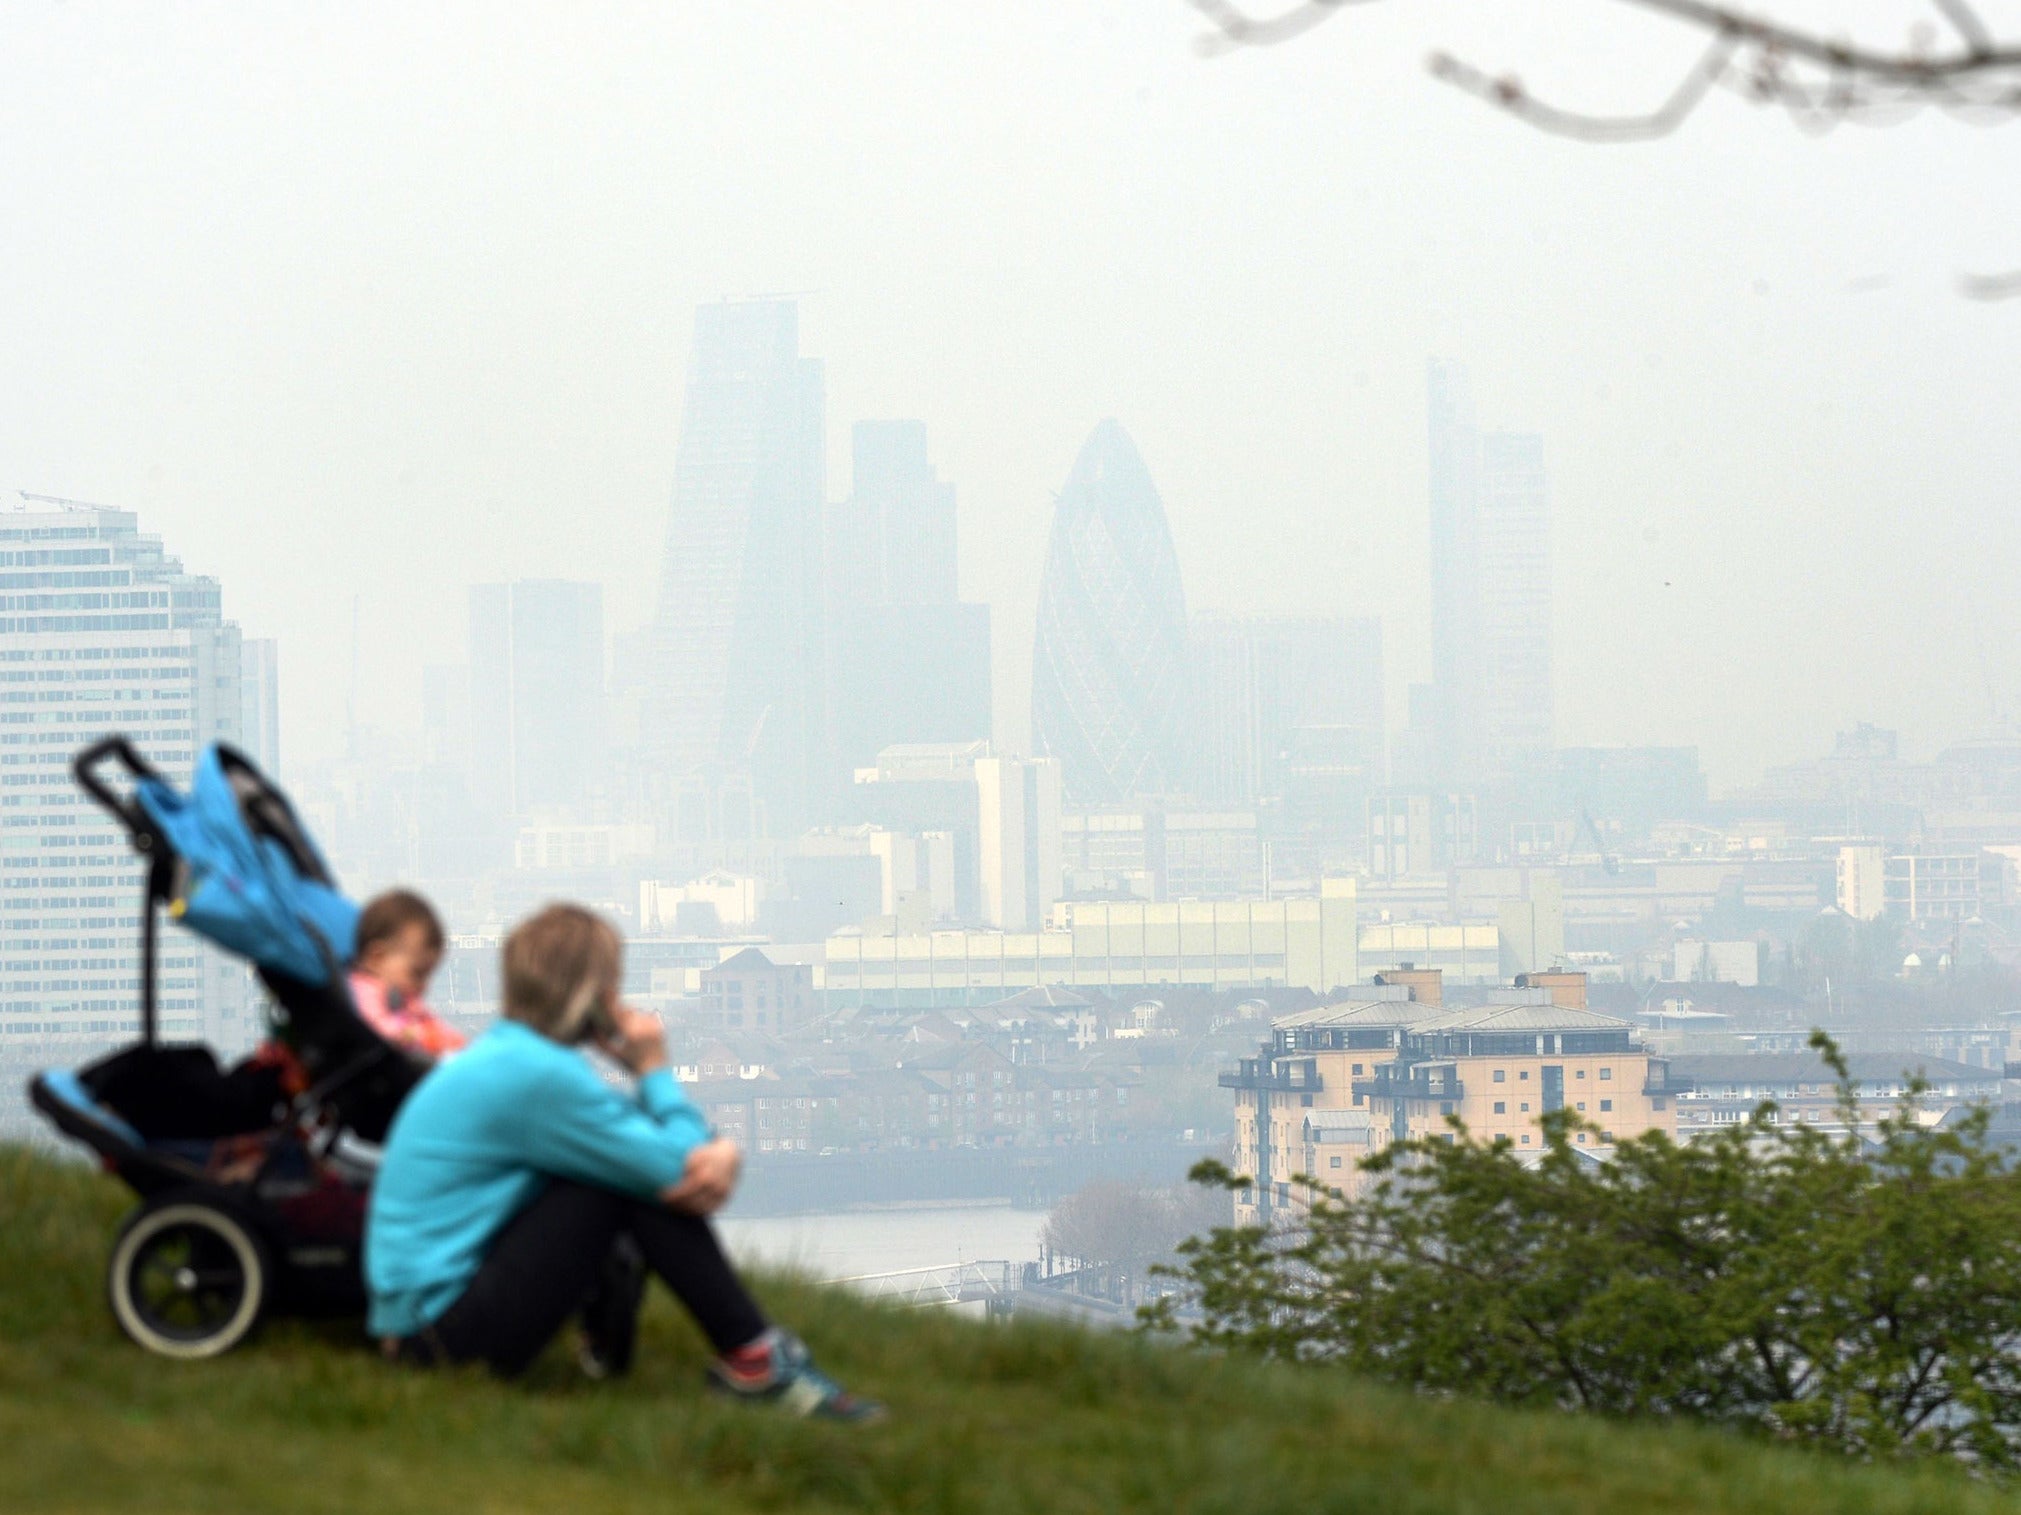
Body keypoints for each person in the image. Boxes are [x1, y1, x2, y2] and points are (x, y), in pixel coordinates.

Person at [364, 902, 882, 1421]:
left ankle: (734, 1355)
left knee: (617, 1169)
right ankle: (757, 1362)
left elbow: (631, 1138)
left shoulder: (512, 1056)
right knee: (618, 1187)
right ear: (591, 995)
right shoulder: (542, 1077)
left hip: (415, 1325)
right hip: (436, 1338)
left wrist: (715, 1148)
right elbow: (674, 1167)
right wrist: (654, 1069)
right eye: (611, 984)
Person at [349, 890, 467, 1059]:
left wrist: (454, 1042)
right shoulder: (362, 991)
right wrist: (418, 1035)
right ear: (377, 958)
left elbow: (429, 1023)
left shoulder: (403, 997)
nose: (424, 985)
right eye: (417, 973)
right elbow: (375, 1027)